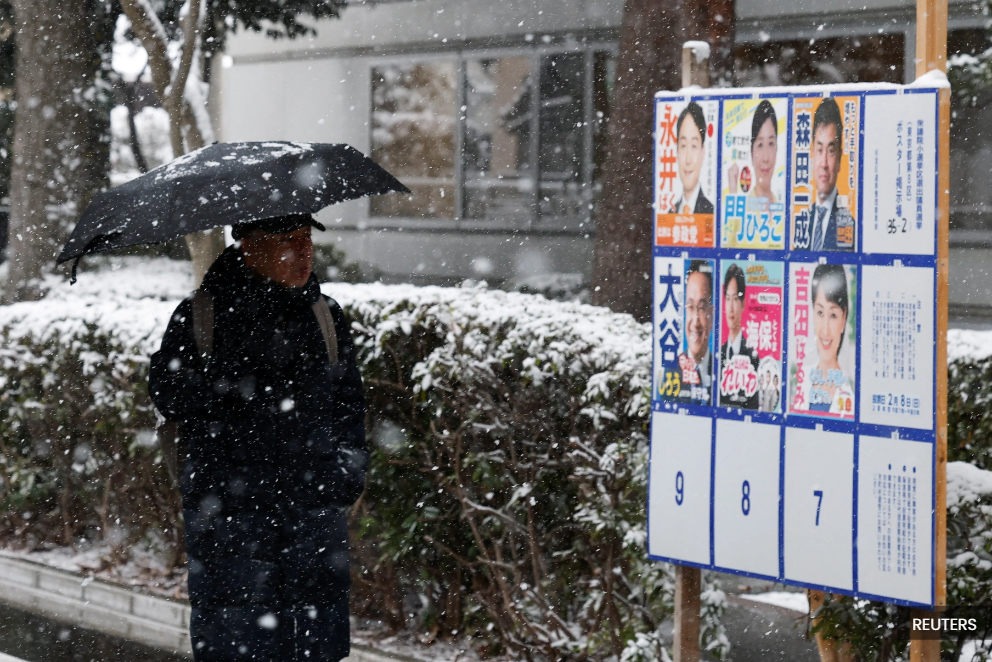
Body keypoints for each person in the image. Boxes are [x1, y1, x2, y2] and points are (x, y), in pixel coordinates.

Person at [149, 214, 368, 662]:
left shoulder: (324, 315)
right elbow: (167, 392)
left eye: (307, 239)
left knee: (315, 649)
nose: (305, 252)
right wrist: (231, 383)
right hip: (233, 529)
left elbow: (349, 407)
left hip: (313, 526)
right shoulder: (201, 315)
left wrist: (345, 472)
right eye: (289, 240)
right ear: (249, 246)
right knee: (239, 647)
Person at [796, 263, 855, 416]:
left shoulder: (851, 394)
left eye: (833, 315)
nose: (825, 330)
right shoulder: (801, 380)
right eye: (820, 313)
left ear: (843, 319)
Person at [808, 98, 855, 251]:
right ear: (812, 154)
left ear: (840, 157)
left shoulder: (849, 227)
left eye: (831, 151)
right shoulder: (801, 221)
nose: (824, 163)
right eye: (820, 151)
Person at [718, 263, 759, 409]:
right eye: (727, 299)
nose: (730, 307)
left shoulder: (753, 356)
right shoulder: (719, 354)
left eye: (735, 299)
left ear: (743, 303)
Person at [677, 260, 714, 404]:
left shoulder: (724, 372)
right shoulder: (670, 373)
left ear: (712, 312)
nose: (695, 321)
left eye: (702, 308)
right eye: (691, 307)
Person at [668, 102, 714, 214]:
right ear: (677, 150)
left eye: (694, 146)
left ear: (702, 153)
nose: (688, 160)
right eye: (683, 145)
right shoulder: (670, 214)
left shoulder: (711, 212)